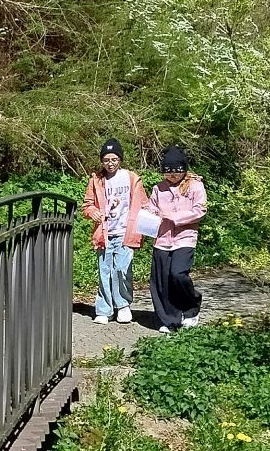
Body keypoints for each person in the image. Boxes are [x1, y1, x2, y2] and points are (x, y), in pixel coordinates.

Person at [81, 138, 146, 325]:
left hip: (126, 232)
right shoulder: (96, 180)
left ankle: (123, 306)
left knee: (122, 270)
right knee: (104, 271)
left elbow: (143, 204)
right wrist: (92, 211)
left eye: (114, 159)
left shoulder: (132, 178)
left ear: (120, 160)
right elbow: (87, 205)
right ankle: (104, 310)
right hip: (104, 234)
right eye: (106, 160)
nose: (110, 164)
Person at [147, 146, 207, 333]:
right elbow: (151, 207)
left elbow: (200, 210)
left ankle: (191, 307)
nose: (172, 176)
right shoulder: (158, 188)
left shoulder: (195, 186)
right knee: (162, 281)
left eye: (176, 172)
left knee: (178, 274)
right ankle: (169, 320)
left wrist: (175, 217)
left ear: (184, 170)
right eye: (168, 172)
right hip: (162, 240)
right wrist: (149, 214)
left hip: (185, 238)